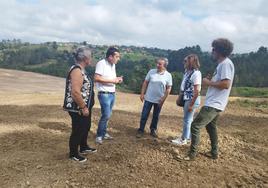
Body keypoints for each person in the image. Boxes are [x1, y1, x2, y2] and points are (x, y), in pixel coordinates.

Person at [184, 38, 234, 160]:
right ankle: (214, 152)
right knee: (211, 127)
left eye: (213, 49)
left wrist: (208, 82)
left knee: (195, 126)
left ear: (219, 51)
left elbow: (226, 84)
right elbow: (221, 83)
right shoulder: (222, 64)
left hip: (214, 104)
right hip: (216, 103)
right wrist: (211, 81)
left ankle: (192, 154)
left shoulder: (225, 64)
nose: (211, 51)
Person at [63, 47, 96, 163]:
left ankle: (83, 146)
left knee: (85, 127)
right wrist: (83, 107)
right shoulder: (77, 70)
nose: (91, 59)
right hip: (78, 108)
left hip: (83, 107)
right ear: (85, 58)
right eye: (90, 57)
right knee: (78, 129)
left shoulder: (81, 69)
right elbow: (75, 92)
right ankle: (73, 154)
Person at [136, 58, 172, 138]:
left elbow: (169, 88)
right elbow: (145, 82)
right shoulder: (151, 72)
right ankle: (141, 130)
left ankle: (153, 130)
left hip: (159, 99)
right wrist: (142, 94)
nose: (157, 65)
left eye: (160, 64)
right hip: (148, 98)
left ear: (165, 66)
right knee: (144, 114)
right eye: (157, 63)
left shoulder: (168, 75)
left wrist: (163, 99)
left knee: (156, 116)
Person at [94, 47, 123, 144]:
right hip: (104, 94)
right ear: (110, 56)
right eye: (117, 56)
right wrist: (113, 80)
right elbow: (97, 78)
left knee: (108, 115)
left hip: (112, 93)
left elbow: (110, 78)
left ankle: (104, 133)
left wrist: (117, 79)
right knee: (106, 114)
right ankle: (99, 136)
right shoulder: (101, 63)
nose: (118, 59)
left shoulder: (112, 65)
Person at [171, 54, 202, 145]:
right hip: (187, 98)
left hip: (191, 99)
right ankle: (188, 138)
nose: (184, 62)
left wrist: (191, 104)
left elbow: (197, 91)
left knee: (187, 119)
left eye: (186, 61)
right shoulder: (188, 72)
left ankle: (183, 139)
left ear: (191, 63)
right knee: (189, 119)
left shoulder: (196, 73)